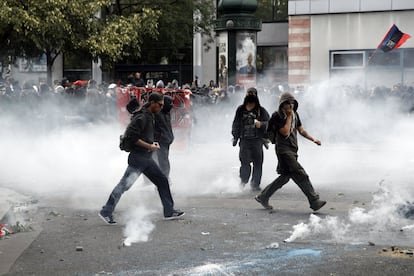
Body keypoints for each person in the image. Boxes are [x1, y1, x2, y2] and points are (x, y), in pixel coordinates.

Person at [99, 93, 185, 224]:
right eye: (160, 105)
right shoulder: (142, 117)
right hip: (138, 159)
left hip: (146, 158)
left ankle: (169, 211)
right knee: (123, 186)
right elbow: (132, 138)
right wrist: (149, 146)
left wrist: (151, 145)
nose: (161, 108)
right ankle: (106, 211)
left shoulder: (150, 115)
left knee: (162, 181)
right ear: (153, 103)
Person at [254, 92, 327, 211]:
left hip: (292, 149)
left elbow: (301, 129)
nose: (290, 106)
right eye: (287, 103)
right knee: (300, 173)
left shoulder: (295, 114)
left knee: (285, 177)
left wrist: (313, 139)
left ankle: (263, 197)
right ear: (282, 104)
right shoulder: (277, 116)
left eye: (292, 103)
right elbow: (285, 132)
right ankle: (314, 201)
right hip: (283, 150)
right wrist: (288, 116)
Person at [232, 87, 269, 191]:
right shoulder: (240, 109)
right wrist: (235, 136)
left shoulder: (261, 111)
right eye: (249, 93)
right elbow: (236, 123)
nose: (251, 94)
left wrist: (261, 124)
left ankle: (255, 184)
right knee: (244, 162)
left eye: (253, 93)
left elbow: (269, 123)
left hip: (257, 141)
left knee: (258, 163)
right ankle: (243, 181)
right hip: (244, 140)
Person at [153, 95, 174, 178]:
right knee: (162, 162)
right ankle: (164, 181)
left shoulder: (167, 113)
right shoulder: (157, 113)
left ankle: (164, 180)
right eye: (170, 103)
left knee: (163, 161)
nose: (171, 105)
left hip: (166, 141)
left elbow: (168, 127)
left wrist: (170, 137)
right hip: (160, 141)